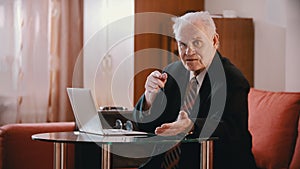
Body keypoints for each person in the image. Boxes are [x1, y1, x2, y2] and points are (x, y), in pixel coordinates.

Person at [133, 11, 257, 169]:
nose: (188, 52)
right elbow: (145, 126)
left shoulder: (232, 79)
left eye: (197, 43)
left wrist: (192, 126)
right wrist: (149, 98)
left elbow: (232, 132)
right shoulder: (172, 72)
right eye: (182, 44)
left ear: (214, 40)